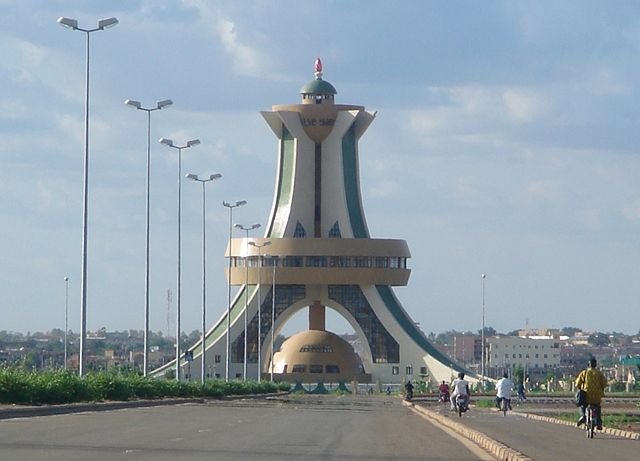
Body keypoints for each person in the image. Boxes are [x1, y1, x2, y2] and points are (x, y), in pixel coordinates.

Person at [575, 357, 607, 430]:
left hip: (586, 395)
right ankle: (599, 423)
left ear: (589, 364)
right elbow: (604, 384)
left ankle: (583, 416)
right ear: (595, 365)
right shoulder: (599, 374)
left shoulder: (584, 373)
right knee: (598, 408)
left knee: (582, 406)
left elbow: (577, 384)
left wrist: (580, 387)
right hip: (597, 396)